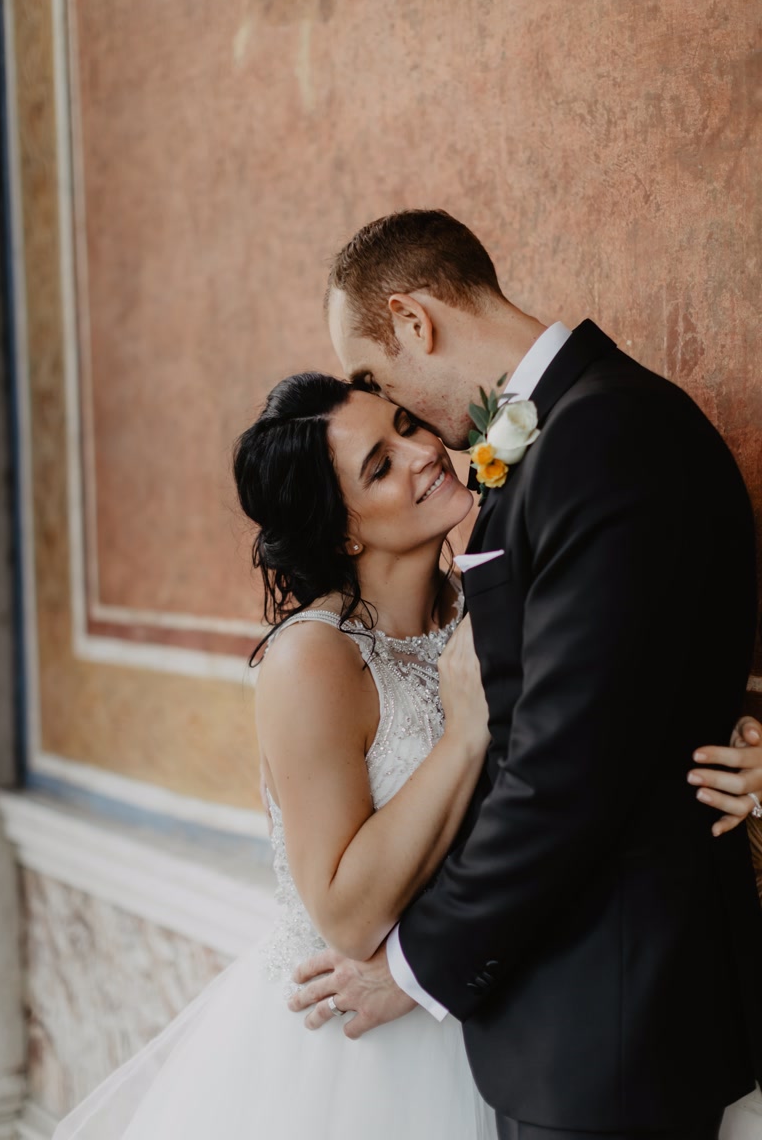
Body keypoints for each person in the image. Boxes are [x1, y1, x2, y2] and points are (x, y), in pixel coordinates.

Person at [51, 368, 762, 1139]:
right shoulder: (313, 660)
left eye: (406, 424)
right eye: (380, 465)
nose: (424, 450)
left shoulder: (489, 600)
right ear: (343, 531)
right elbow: (346, 914)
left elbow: (569, 765)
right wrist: (463, 737)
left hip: (512, 1008)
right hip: (371, 1054)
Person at [289, 209, 762, 1140]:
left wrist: (416, 966)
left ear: (414, 319)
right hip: (571, 1010)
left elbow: (565, 769)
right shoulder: (563, 438)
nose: (421, 433)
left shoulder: (606, 435)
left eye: (384, 384)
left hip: (613, 1012)